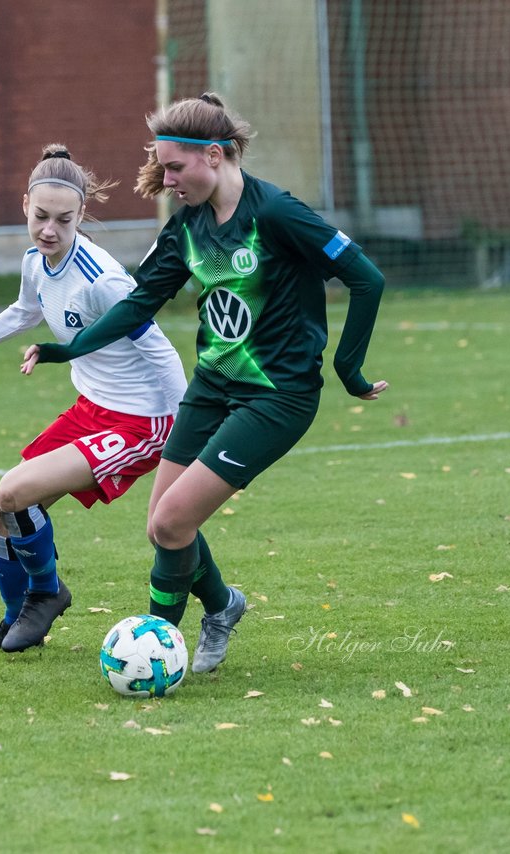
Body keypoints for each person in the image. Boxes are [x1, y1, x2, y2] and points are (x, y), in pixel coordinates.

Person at [23, 94, 388, 673]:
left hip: (276, 398)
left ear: (213, 156)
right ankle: (221, 606)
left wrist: (348, 369)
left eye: (174, 168)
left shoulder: (276, 214)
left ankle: (154, 650)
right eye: (162, 167)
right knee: (162, 525)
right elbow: (139, 304)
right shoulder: (189, 227)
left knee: (172, 522)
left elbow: (366, 278)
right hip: (211, 389)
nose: (165, 180)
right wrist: (67, 348)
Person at [0, 144, 189, 653]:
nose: (49, 230)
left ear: (81, 215)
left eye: (64, 221)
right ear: (25, 204)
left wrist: (186, 427)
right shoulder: (35, 260)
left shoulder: (102, 280)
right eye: (41, 216)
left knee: (13, 491)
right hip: (90, 410)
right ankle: (14, 620)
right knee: (3, 517)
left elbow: (161, 352)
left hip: (141, 421)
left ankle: (47, 593)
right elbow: (22, 312)